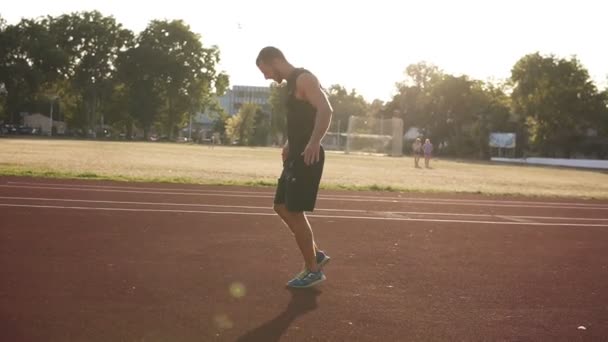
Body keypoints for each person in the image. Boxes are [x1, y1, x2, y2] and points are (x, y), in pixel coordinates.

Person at [256, 46, 333, 288]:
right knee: (280, 206)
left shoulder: (304, 79)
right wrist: (290, 143)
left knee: (294, 212)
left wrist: (313, 142)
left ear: (274, 61)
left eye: (265, 70)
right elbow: (303, 119)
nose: (266, 76)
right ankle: (316, 254)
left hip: (307, 156)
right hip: (296, 155)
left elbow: (325, 109)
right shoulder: (290, 85)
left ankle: (313, 270)